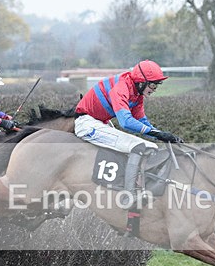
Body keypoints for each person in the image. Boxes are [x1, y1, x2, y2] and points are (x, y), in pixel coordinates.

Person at [74, 60, 182, 196]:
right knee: (139, 146)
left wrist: (162, 135)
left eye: (156, 85)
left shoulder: (136, 94)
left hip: (100, 123)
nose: (155, 89)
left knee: (152, 146)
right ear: (142, 82)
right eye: (153, 84)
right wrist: (157, 134)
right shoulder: (121, 87)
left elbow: (142, 122)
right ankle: (129, 196)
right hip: (86, 124)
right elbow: (125, 121)